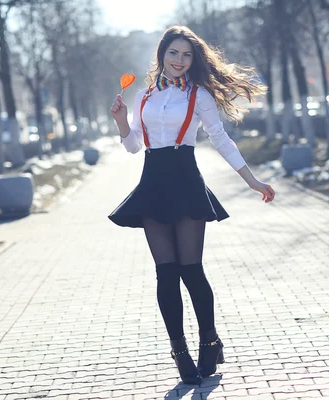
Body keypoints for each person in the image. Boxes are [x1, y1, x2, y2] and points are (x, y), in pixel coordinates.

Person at [108, 25, 275, 385]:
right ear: (162, 55)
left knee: (191, 271)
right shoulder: (144, 96)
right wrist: (123, 123)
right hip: (152, 183)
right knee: (165, 274)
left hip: (186, 182)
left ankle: (210, 342)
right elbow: (135, 146)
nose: (180, 61)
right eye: (174, 53)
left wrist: (252, 180)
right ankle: (179, 351)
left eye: (187, 55)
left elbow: (220, 139)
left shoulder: (199, 96)